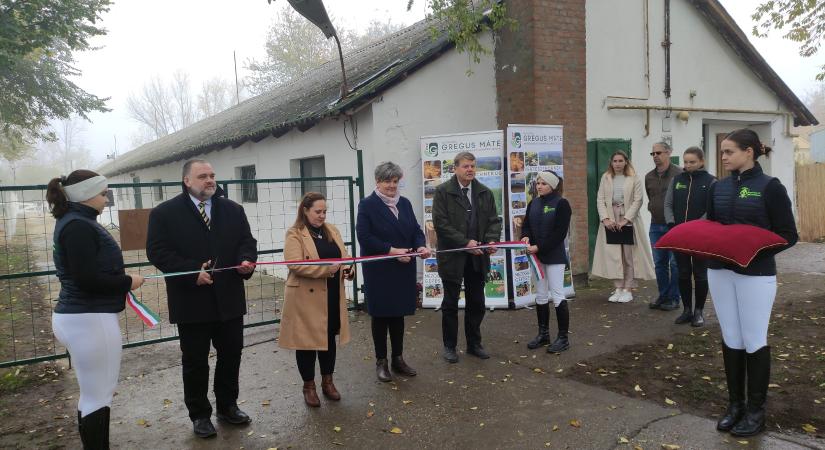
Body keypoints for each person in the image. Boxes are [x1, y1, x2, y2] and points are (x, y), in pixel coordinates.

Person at [146, 160, 257, 438]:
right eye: (203, 176)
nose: (210, 180)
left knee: (231, 355)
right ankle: (199, 415)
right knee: (195, 361)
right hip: (191, 301)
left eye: (212, 175)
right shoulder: (165, 213)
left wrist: (247, 260)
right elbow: (157, 252)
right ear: (186, 181)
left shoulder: (233, 209)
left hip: (229, 299)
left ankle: (228, 406)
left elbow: (247, 241)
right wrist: (190, 272)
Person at [47, 170, 146, 449]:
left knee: (92, 393)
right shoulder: (78, 226)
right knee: (99, 395)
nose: (106, 199)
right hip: (88, 319)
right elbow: (87, 279)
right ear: (85, 195)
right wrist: (129, 281)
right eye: (103, 194)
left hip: (81, 317)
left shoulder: (76, 221)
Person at [707, 129, 797, 437]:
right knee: (731, 337)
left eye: (729, 151)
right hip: (719, 271)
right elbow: (712, 226)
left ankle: (756, 412)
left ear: (749, 152)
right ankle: (736, 406)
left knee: (753, 339)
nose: (723, 157)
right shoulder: (717, 187)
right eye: (722, 152)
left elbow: (788, 234)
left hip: (755, 274)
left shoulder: (770, 187)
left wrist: (754, 253)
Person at [356, 162, 431, 382]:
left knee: (398, 315)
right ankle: (382, 362)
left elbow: (416, 231)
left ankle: (398, 359)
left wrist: (421, 246)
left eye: (395, 181)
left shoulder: (405, 203)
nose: (391, 185)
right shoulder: (367, 205)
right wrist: (391, 251)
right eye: (387, 181)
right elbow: (365, 237)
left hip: (403, 267)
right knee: (380, 316)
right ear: (377, 182)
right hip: (380, 269)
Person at [280, 192, 355, 406]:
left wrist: (349, 269)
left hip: (331, 293)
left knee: (328, 338)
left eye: (325, 211)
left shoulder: (331, 230)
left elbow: (345, 256)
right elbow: (294, 264)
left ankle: (328, 382)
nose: (322, 216)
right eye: (317, 211)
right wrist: (325, 269)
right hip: (305, 297)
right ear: (305, 210)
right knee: (306, 344)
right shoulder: (295, 234)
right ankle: (309, 386)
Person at [432, 151, 502, 363]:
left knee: (477, 302)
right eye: (466, 166)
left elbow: (493, 221)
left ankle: (474, 344)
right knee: (451, 304)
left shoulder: (484, 192)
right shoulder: (443, 192)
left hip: (477, 258)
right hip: (453, 257)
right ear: (455, 168)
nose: (470, 169)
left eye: (473, 166)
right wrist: (464, 243)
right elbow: (441, 224)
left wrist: (490, 240)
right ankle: (450, 347)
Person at [591, 151, 655, 302]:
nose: (618, 164)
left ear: (626, 162)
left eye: (620, 161)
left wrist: (626, 219)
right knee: (614, 255)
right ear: (611, 163)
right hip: (610, 219)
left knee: (628, 255)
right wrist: (605, 218)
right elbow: (600, 199)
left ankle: (628, 288)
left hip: (628, 219)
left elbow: (638, 200)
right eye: (615, 161)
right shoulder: (606, 177)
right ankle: (618, 287)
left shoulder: (634, 178)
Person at [520, 171, 572, 353]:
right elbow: (526, 225)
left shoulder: (561, 204)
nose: (539, 186)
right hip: (537, 257)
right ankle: (544, 335)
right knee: (541, 295)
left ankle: (563, 338)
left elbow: (559, 233)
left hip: (553, 256)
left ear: (553, 185)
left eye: (543, 183)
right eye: (538, 183)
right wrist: (525, 237)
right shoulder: (533, 203)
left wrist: (539, 247)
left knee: (557, 294)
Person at [664, 147, 716, 327]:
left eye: (692, 162)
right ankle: (686, 310)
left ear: (701, 161)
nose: (687, 165)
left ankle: (699, 312)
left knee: (700, 274)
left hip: (700, 236)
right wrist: (671, 224)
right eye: (685, 162)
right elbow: (668, 204)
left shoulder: (711, 182)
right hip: (679, 236)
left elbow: (712, 209)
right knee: (683, 272)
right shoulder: (677, 180)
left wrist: (696, 227)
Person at [645, 142, 683, 310]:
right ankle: (663, 295)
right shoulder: (649, 176)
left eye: (658, 153)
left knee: (675, 264)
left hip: (674, 226)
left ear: (669, 153)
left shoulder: (679, 174)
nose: (655, 156)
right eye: (652, 153)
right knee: (659, 263)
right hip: (655, 224)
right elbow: (650, 197)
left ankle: (675, 298)